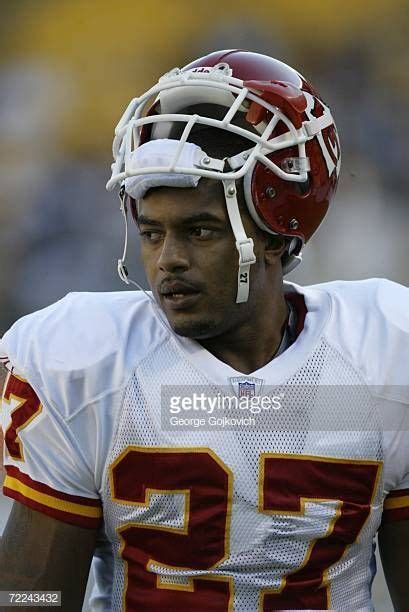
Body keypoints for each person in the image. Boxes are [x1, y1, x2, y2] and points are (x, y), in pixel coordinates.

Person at [0, 49, 408, 611]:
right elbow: (30, 597)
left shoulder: (383, 355)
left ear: (278, 233)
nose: (168, 260)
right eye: (151, 233)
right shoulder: (87, 365)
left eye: (200, 231)